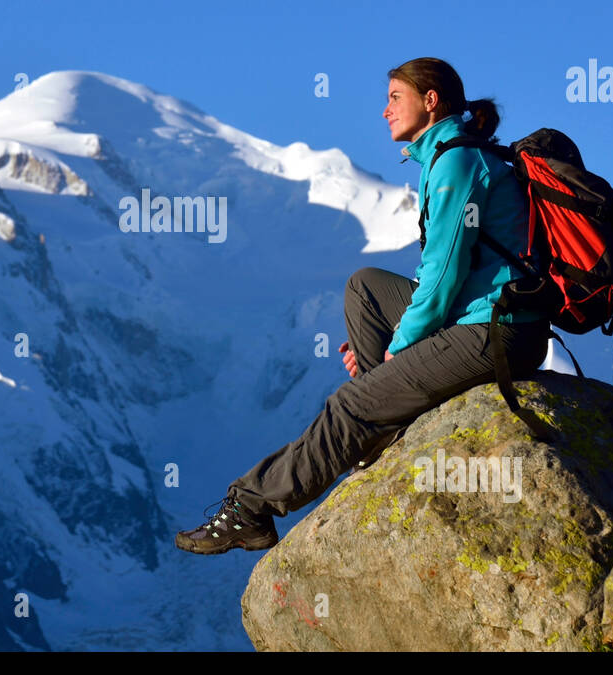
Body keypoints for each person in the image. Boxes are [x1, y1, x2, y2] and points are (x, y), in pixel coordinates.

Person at [175, 57, 552, 555]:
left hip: (498, 331)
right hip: (483, 316)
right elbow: (447, 272)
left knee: (351, 404)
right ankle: (387, 422)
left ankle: (252, 508)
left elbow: (442, 277)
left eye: (395, 97)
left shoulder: (457, 163)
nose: (384, 111)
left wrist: (400, 349)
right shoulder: (450, 156)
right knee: (366, 286)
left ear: (431, 100)